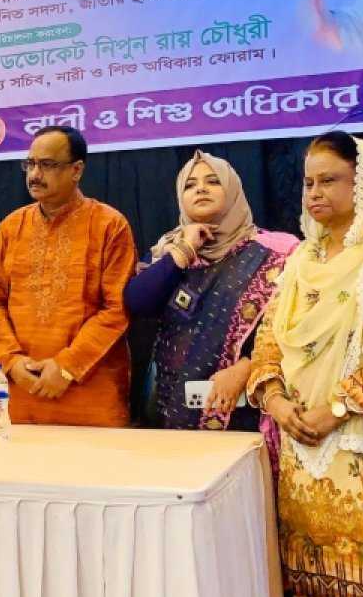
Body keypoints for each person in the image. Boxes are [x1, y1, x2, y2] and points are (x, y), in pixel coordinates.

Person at [247, 132, 363, 597]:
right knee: (316, 589)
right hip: (302, 447)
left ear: (362, 182)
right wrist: (276, 401)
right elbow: (269, 338)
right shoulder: (301, 260)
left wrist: (335, 412)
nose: (315, 193)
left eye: (329, 181)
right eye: (309, 183)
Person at [125, 150, 298, 431]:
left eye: (213, 181)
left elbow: (297, 328)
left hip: (249, 410)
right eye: (190, 185)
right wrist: (184, 250)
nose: (201, 189)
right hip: (174, 411)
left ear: (233, 190)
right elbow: (137, 303)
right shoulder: (168, 251)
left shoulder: (278, 252)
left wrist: (247, 367)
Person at [0, 126, 136, 427]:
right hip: (23, 387)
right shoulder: (11, 227)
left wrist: (66, 367)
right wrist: (11, 361)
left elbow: (116, 308)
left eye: (47, 165)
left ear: (76, 170)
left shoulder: (109, 225)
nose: (35, 174)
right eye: (30, 164)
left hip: (90, 391)